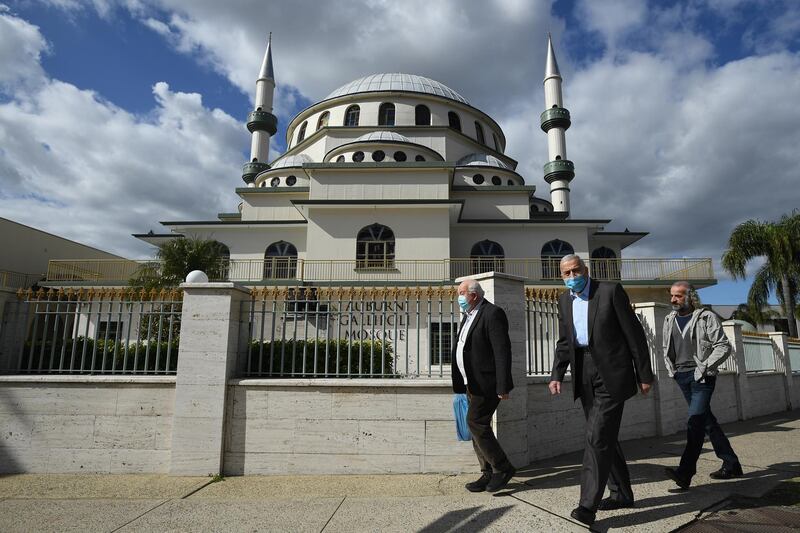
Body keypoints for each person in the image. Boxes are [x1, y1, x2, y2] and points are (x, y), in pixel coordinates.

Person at [548, 254, 654, 526]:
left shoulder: (609, 291)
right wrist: (557, 373)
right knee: (604, 436)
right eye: (566, 273)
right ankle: (621, 493)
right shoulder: (564, 300)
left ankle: (587, 506)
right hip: (583, 372)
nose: (572, 277)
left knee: (596, 437)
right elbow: (565, 341)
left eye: (576, 271)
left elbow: (635, 334)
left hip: (612, 373)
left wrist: (644, 374)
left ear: (585, 269)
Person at [662, 281, 743, 489]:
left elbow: (723, 345)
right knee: (706, 421)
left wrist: (705, 367)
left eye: (678, 296)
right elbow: (665, 347)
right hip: (681, 376)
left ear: (690, 297)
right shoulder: (669, 319)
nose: (673, 300)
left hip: (702, 376)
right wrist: (672, 370)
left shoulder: (706, 317)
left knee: (695, 421)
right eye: (672, 295)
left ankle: (685, 472)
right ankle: (731, 463)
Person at [451, 278, 516, 493]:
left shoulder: (492, 313)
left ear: (474, 295)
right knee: (476, 425)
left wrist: (503, 385)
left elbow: (502, 351)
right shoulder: (468, 315)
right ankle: (487, 472)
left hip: (487, 383)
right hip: (470, 383)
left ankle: (503, 468)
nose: (458, 297)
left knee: (476, 422)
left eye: (461, 293)